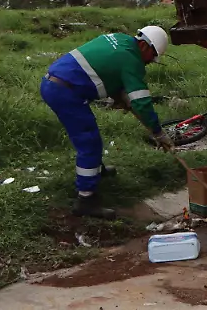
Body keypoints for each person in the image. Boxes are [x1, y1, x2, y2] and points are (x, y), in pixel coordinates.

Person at [40, 26, 172, 219]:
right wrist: (158, 132)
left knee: (88, 135)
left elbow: (105, 68)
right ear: (144, 46)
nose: (150, 62)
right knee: (89, 142)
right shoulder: (132, 60)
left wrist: (119, 95)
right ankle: (86, 200)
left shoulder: (120, 39)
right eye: (152, 56)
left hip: (55, 82)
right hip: (66, 92)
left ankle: (94, 171)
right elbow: (142, 104)